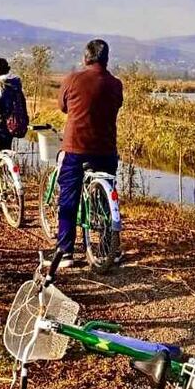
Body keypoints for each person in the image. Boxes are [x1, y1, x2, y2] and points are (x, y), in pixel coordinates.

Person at [54, 39, 123, 266]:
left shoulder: (73, 79)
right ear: (106, 59)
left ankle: (65, 251)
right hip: (106, 149)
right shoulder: (115, 84)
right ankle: (109, 246)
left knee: (68, 197)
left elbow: (63, 106)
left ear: (86, 57)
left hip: (77, 147)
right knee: (106, 196)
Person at [0, 56, 27, 151]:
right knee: (6, 150)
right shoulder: (15, 84)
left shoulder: (0, 84)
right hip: (16, 123)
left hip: (2, 125)